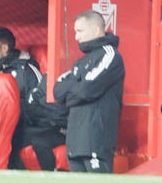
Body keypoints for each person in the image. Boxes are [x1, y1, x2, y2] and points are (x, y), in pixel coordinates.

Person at [0, 27, 65, 170]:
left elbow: (40, 103)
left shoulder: (26, 69)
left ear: (4, 48)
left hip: (27, 126)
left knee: (29, 140)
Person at [52, 9, 124, 172]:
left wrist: (70, 97)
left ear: (97, 30)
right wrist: (76, 92)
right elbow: (57, 90)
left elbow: (86, 89)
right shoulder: (80, 63)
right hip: (75, 141)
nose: (76, 37)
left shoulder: (110, 55)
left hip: (96, 139)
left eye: (80, 31)